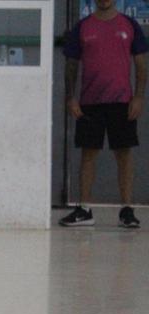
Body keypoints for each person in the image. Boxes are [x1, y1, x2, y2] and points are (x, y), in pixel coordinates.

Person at [60, 0, 147, 228]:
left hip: (122, 102)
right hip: (90, 102)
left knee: (124, 155)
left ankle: (127, 210)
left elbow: (141, 63)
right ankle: (85, 209)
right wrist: (71, 97)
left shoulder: (130, 25)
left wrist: (138, 96)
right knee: (88, 154)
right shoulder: (82, 27)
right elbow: (71, 65)